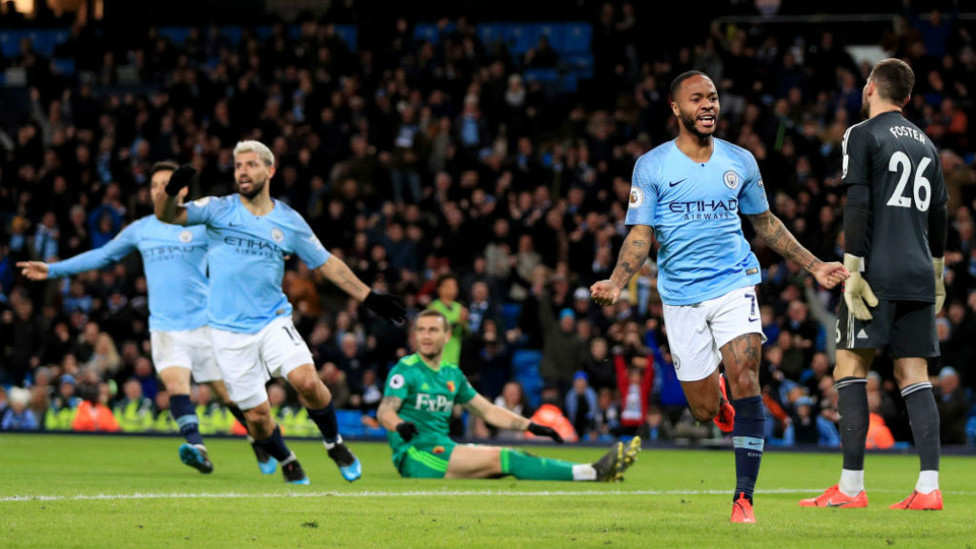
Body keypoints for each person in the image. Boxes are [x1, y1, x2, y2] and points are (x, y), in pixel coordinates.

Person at [590, 71, 848, 523]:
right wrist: (615, 282)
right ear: (676, 108)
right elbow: (640, 234)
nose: (708, 105)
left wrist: (816, 265)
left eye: (713, 97)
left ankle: (743, 498)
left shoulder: (740, 161)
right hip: (680, 296)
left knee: (747, 373)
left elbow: (765, 223)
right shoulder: (652, 166)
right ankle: (721, 402)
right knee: (704, 409)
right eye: (697, 99)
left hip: (734, 282)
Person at [155, 140, 406, 484]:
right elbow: (167, 215)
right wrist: (171, 191)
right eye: (238, 165)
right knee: (257, 417)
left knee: (306, 380)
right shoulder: (217, 208)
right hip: (227, 332)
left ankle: (334, 443)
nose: (242, 171)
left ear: (269, 170)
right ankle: (287, 458)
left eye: (251, 164)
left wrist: (370, 297)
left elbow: (327, 264)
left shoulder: (289, 221)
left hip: (272, 321)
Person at [18, 162, 267, 474]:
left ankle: (260, 439)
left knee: (228, 394)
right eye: (154, 185)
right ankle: (197, 447)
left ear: (183, 189)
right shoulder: (141, 229)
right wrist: (53, 269)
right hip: (165, 327)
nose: (159, 190)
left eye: (166, 183)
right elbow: (102, 255)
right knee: (177, 387)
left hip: (205, 324)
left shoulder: (201, 226)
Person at [800, 59, 949, 511]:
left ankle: (850, 489)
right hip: (920, 271)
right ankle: (928, 489)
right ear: (907, 97)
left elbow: (859, 200)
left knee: (849, 368)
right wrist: (938, 271)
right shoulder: (927, 144)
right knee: (914, 375)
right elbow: (939, 213)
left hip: (876, 271)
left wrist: (853, 265)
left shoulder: (861, 134)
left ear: (870, 88)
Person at [377, 309, 640, 481]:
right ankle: (592, 472)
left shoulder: (451, 374)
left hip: (443, 449)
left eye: (432, 330)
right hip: (416, 454)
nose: (425, 336)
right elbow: (385, 410)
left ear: (447, 336)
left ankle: (591, 471)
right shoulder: (406, 369)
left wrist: (532, 426)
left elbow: (487, 410)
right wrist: (399, 425)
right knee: (507, 458)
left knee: (515, 457)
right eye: (421, 330)